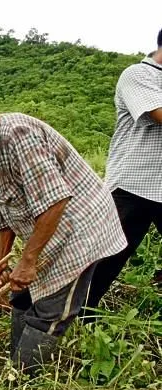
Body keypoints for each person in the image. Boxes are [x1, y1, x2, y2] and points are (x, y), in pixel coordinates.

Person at [0, 82, 126, 371]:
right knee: (22, 297)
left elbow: (55, 201)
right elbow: (3, 213)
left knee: (50, 311)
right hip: (51, 230)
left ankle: (22, 380)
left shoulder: (18, 135)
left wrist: (28, 261)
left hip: (81, 228)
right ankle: (15, 366)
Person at [85, 29, 162, 310]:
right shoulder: (139, 75)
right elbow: (158, 114)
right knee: (108, 257)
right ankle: (79, 314)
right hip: (133, 185)